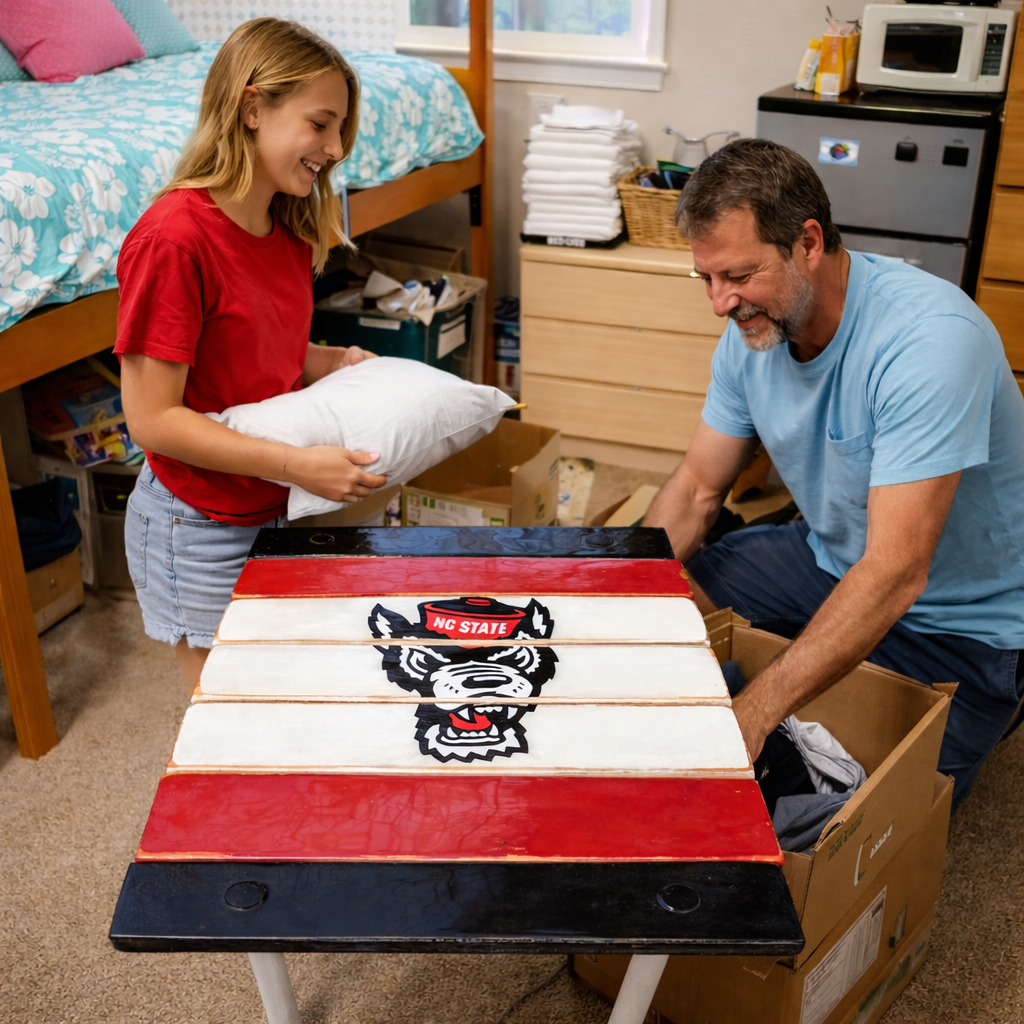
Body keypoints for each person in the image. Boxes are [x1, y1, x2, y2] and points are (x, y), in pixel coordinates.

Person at [643, 138, 1024, 809]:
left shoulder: (929, 340)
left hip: (965, 622)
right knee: (664, 605)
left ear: (808, 243)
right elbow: (699, 489)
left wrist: (755, 711)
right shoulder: (751, 334)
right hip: (827, 555)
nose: (720, 303)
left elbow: (897, 572)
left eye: (739, 276)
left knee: (841, 807)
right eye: (706, 278)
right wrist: (618, 590)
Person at [116, 19, 387, 689]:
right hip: (197, 520)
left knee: (288, 697)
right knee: (229, 721)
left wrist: (330, 363)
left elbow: (263, 356)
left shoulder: (289, 228)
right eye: (320, 124)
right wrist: (300, 464)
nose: (333, 148)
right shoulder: (175, 241)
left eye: (339, 130)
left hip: (271, 503)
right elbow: (154, 420)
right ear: (252, 106)